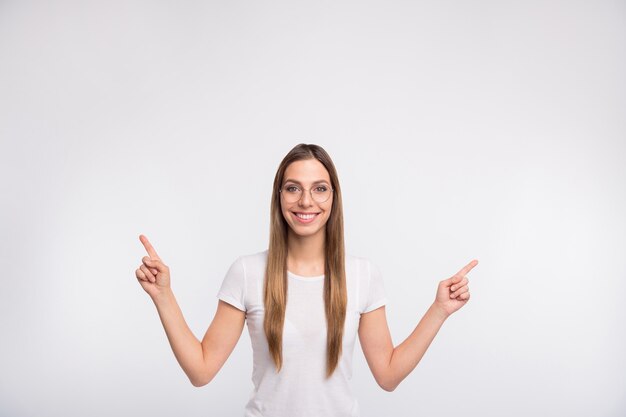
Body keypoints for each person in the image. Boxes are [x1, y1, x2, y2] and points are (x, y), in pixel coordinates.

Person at [134, 143, 477, 417]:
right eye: (293, 188)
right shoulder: (247, 273)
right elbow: (201, 370)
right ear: (280, 196)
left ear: (333, 198)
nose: (306, 201)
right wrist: (163, 296)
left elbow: (388, 375)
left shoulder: (362, 275)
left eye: (320, 189)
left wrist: (439, 310)